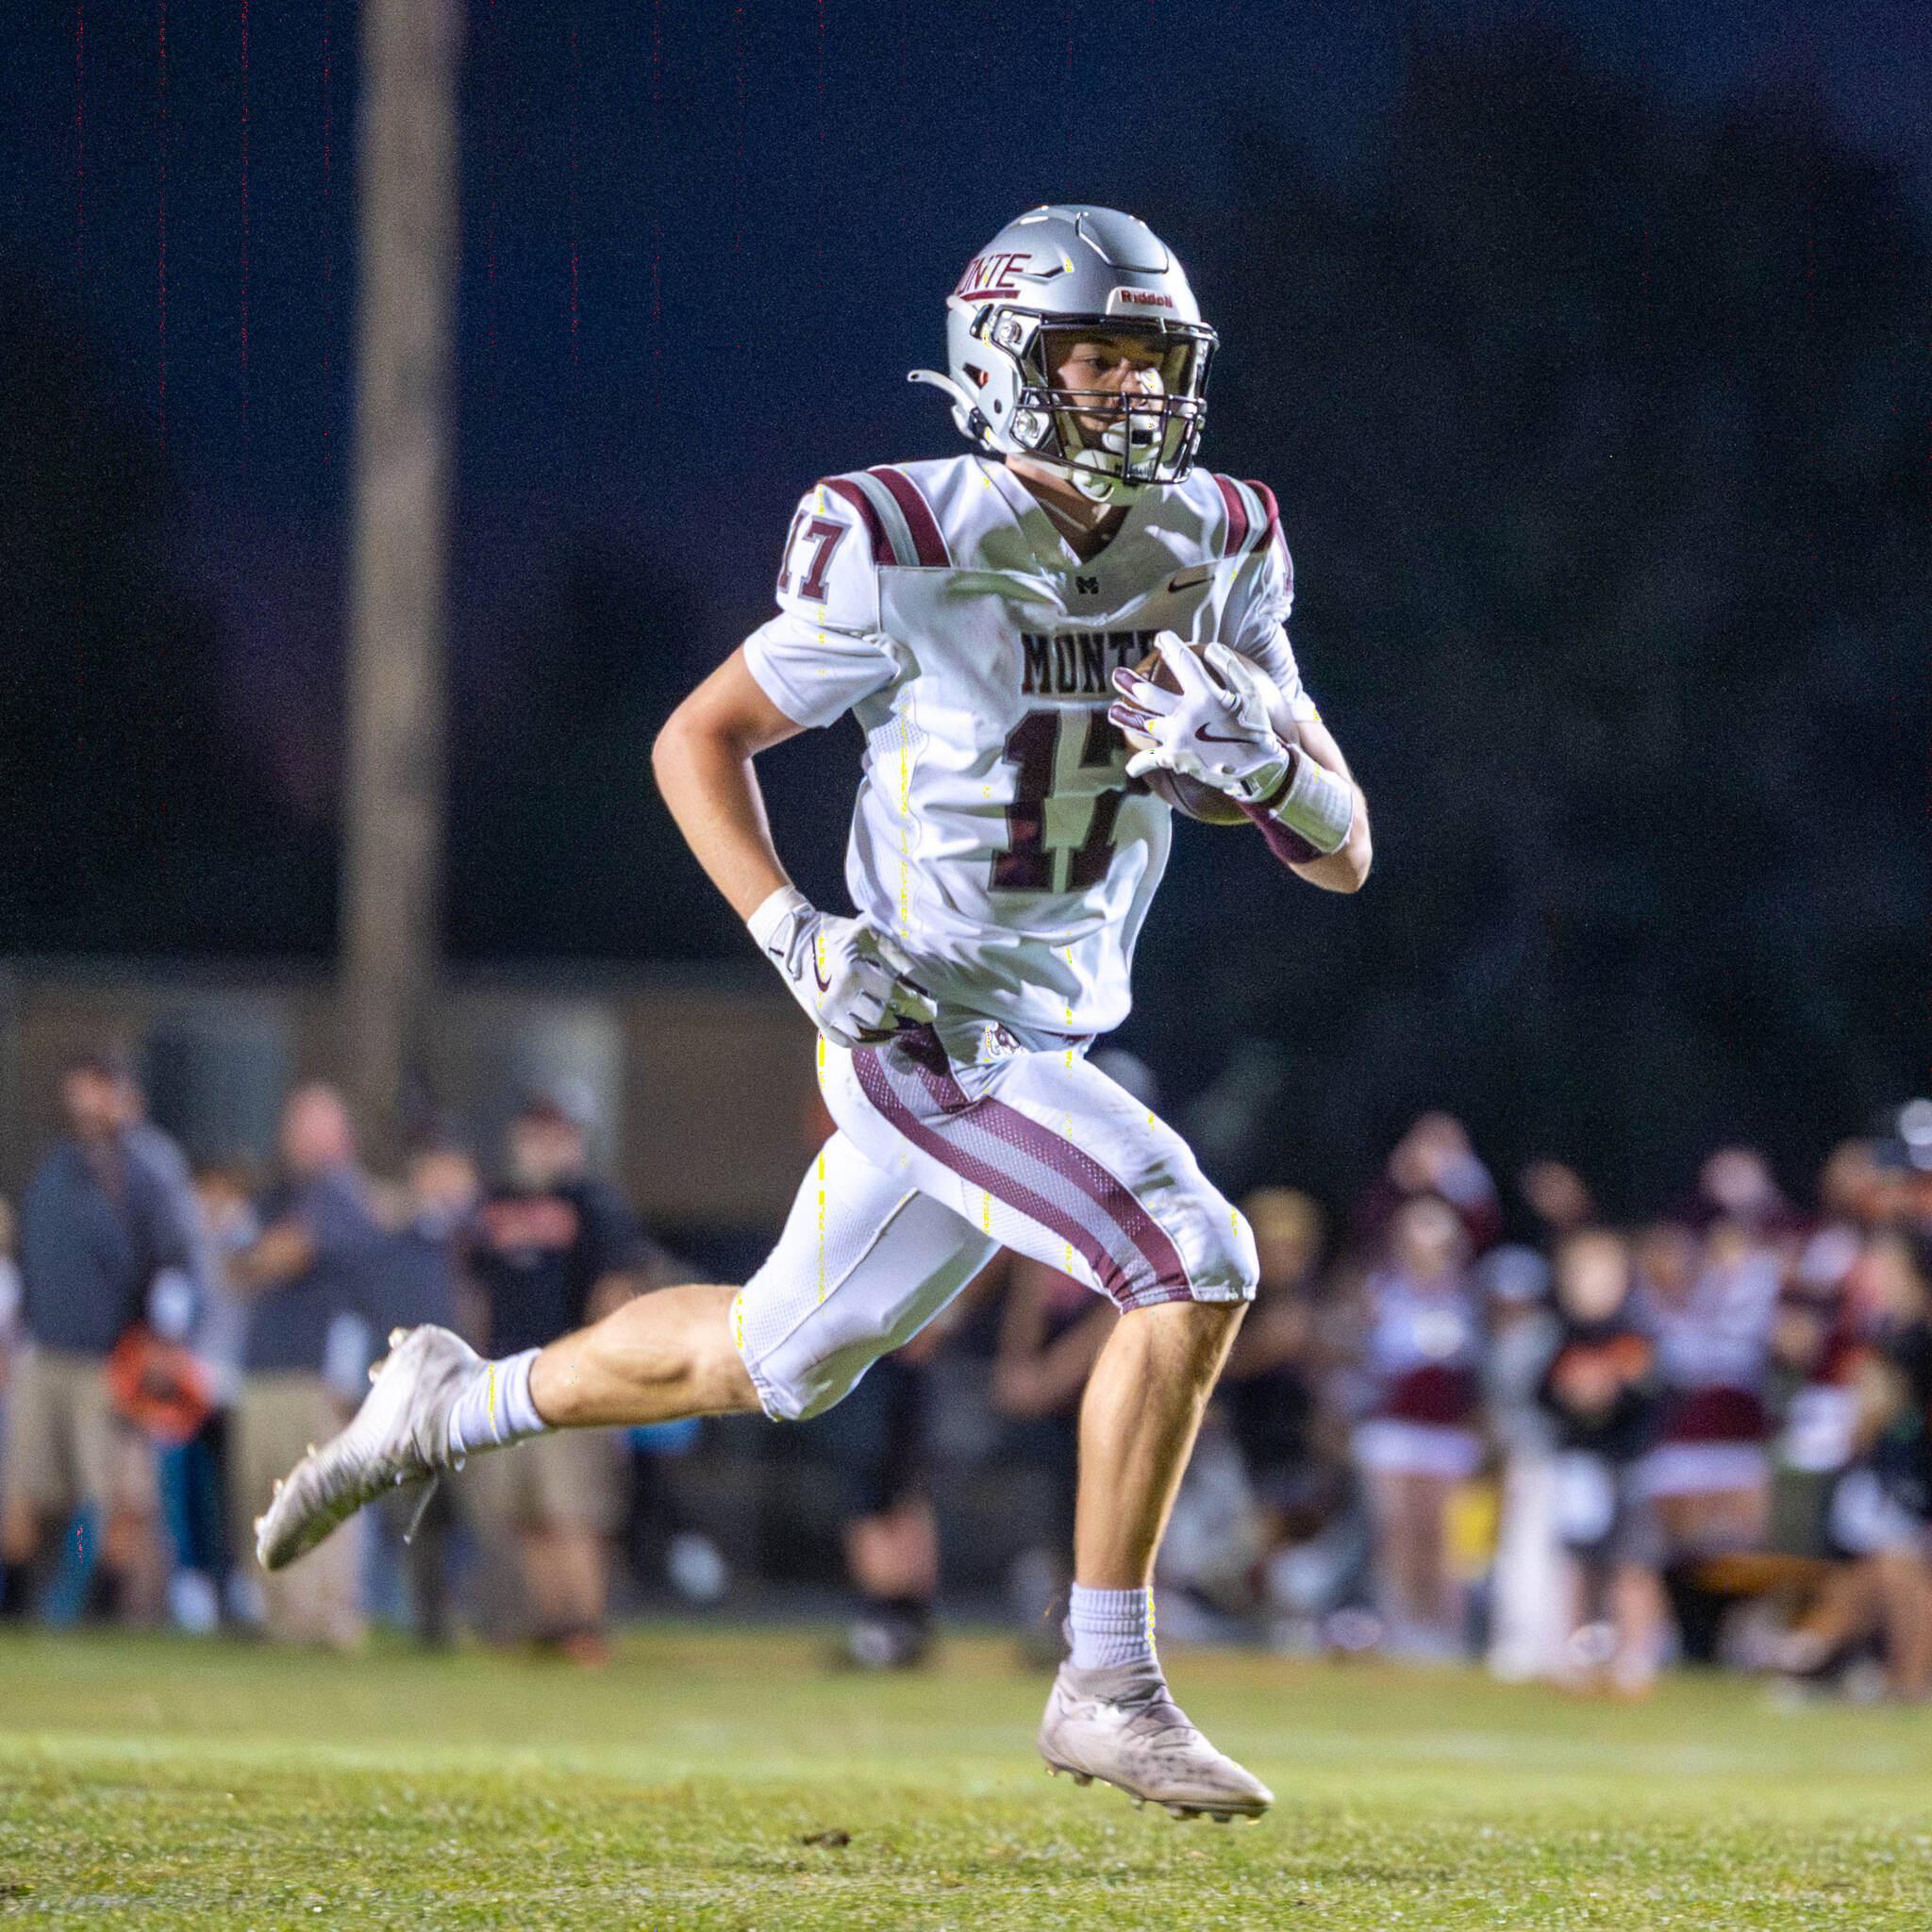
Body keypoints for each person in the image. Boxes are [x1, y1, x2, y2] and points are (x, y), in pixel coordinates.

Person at [258, 203, 1374, 1821]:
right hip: (930, 1030)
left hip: (1047, 1041)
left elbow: (1344, 851)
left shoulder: (1222, 538)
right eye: (1097, 357)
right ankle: (1106, 1679)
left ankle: (444, 1399)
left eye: (1153, 359)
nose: (1135, 392)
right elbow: (696, 737)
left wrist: (1262, 767)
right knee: (1195, 1255)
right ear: (1004, 363)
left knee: (770, 1360)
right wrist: (792, 931)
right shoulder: (901, 534)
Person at [459, 1087, 668, 1665]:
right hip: (504, 1375)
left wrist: (610, 1368)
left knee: (573, 1510)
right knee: (525, 1513)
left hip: (571, 1371)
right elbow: (475, 1291)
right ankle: (550, 1624)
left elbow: (616, 1288)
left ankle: (584, 1625)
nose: (544, 1145)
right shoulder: (492, 1204)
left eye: (556, 1133)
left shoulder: (593, 1203)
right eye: (535, 1132)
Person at [1, 1052, 205, 1624]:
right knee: (30, 1490)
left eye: (98, 1091)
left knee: (119, 1498)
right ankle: (18, 1602)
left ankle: (104, 1604)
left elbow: (174, 1265)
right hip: (46, 1354)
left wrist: (164, 1341)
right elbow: (27, 1260)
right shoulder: (53, 1169)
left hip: (111, 1361)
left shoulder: (146, 1173)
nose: (86, 1104)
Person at [228, 1084, 385, 1647]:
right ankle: (284, 1619)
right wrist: (261, 1256)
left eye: (314, 1127)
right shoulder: (277, 1198)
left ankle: (330, 1619)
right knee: (264, 1497)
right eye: (296, 1127)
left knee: (322, 1497)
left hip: (317, 1374)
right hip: (264, 1368)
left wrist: (262, 1256)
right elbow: (235, 1266)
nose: (300, 1140)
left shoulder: (342, 1195)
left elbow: (288, 1254)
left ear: (342, 1136)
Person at [1348, 1191, 1484, 1657]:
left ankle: (1446, 1632)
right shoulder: (1381, 1288)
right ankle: (1401, 1629)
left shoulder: (1468, 1294)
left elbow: (1475, 1371)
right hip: (1394, 1427)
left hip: (1447, 1431)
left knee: (1443, 1533)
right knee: (1398, 1530)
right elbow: (1364, 1357)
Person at [1536, 1228, 1668, 1696]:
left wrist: (1611, 1393)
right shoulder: (1563, 1336)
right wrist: (1572, 1395)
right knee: (1577, 1568)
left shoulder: (1635, 1335)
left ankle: (1636, 1657)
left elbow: (1654, 1393)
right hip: (1579, 1469)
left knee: (1632, 1566)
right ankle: (1576, 1657)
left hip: (1626, 1467)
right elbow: (1543, 1395)